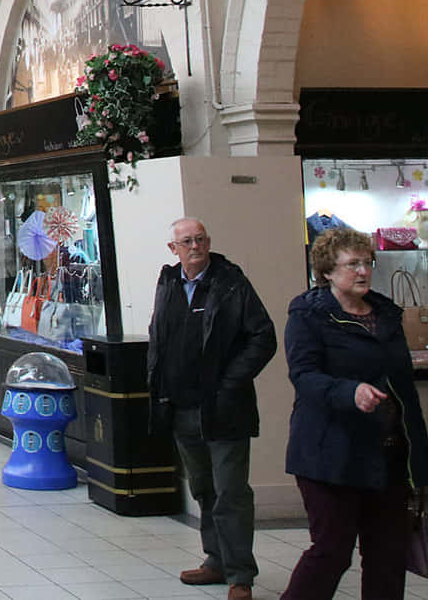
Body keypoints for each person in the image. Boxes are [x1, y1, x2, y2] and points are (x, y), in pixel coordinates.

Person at [278, 228, 428, 600]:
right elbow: (304, 376)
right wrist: (350, 391)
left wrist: (421, 460)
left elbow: (405, 392)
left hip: (388, 456)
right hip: (330, 454)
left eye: (367, 263)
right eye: (352, 264)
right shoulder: (309, 315)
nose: (362, 271)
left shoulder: (386, 315)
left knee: (388, 556)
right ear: (328, 270)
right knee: (331, 552)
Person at [147, 216, 276, 600]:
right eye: (186, 241)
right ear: (174, 249)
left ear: (208, 242)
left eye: (200, 239)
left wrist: (230, 382)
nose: (194, 247)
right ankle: (216, 560)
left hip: (223, 409)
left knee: (231, 490)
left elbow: (262, 337)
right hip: (182, 407)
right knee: (204, 488)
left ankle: (240, 576)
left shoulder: (231, 283)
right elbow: (159, 336)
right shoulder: (169, 283)